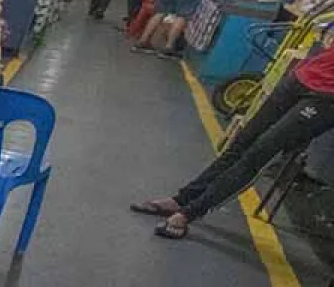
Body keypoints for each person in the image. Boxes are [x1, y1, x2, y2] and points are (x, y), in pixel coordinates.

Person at [132, 43, 334, 238]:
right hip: (303, 77)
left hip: (326, 99)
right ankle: (181, 199)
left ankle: (189, 213)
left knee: (258, 154)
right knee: (240, 144)